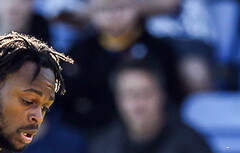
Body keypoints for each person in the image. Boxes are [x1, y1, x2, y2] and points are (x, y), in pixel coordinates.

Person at [59, 0, 182, 137]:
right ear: (91, 13)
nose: (114, 15)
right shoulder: (80, 53)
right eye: (104, 9)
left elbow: (173, 99)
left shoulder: (158, 50)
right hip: (93, 136)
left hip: (148, 134)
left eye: (122, 7)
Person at [84, 59, 211, 153]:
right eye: (129, 94)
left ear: (162, 95)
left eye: (146, 93)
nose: (138, 104)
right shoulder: (102, 145)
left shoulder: (192, 145)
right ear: (117, 100)